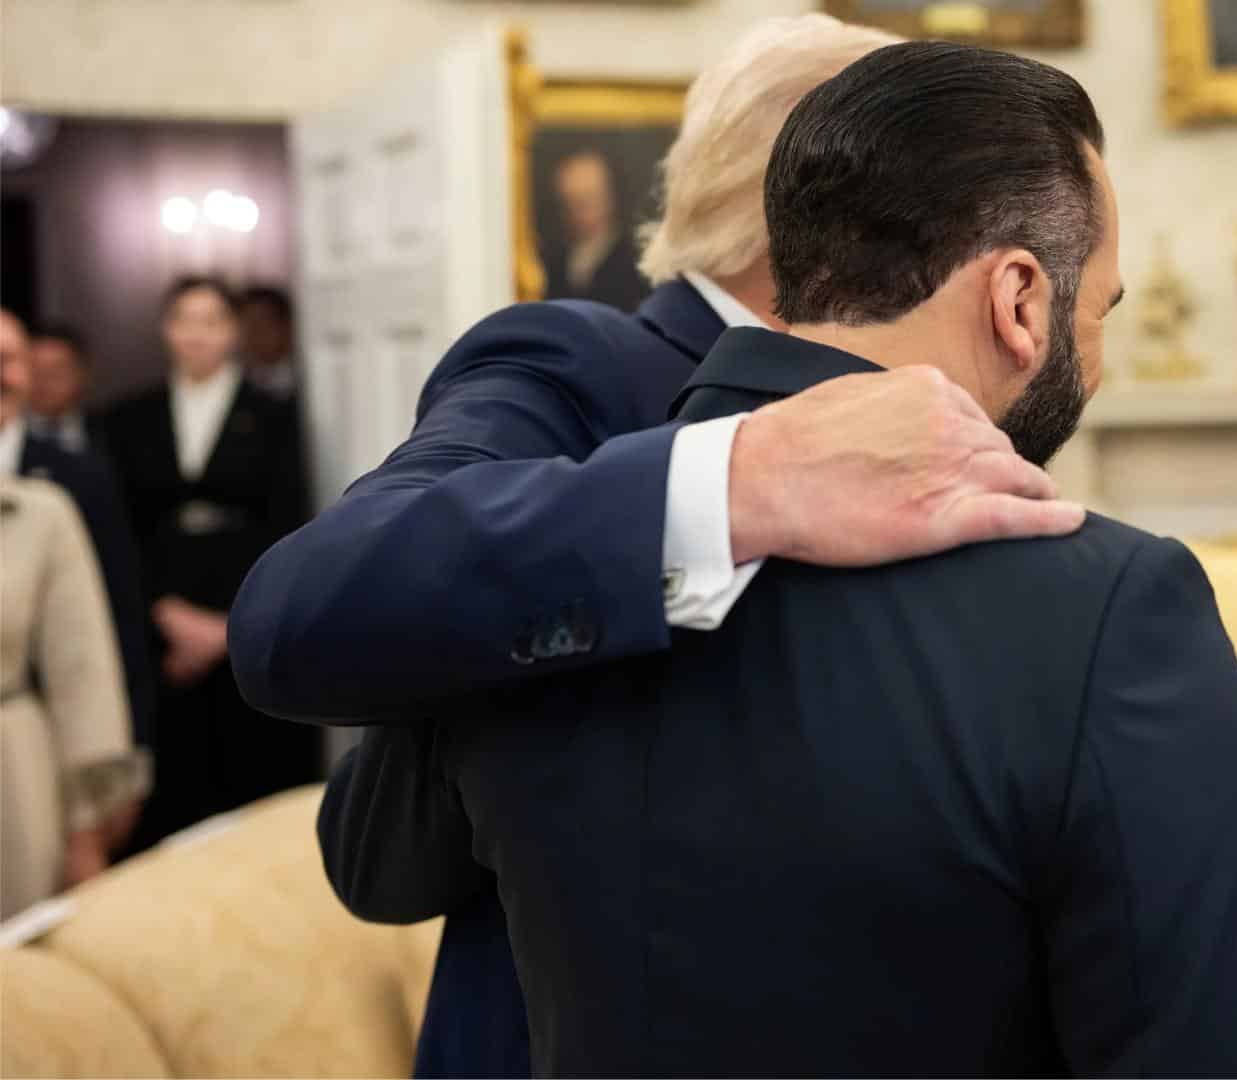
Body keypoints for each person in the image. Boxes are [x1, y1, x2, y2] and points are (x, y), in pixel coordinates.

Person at [315, 42, 1237, 1076]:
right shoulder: (1117, 606)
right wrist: (726, 488)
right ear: (1020, 301)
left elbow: (392, 850)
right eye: (1100, 308)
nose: (1097, 354)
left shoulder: (547, 581)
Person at [229, 15, 1081, 1077]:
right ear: (829, 199)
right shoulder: (578, 364)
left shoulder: (942, 422)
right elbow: (297, 616)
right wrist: (741, 482)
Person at [100, 277, 317, 854]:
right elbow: (117, 532)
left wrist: (225, 628)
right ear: (166, 330)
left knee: (250, 784)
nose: (197, 334)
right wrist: (165, 612)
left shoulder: (273, 415)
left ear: (233, 332)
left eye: (212, 321)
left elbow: (288, 522)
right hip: (160, 622)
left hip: (243, 617)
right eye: (184, 320)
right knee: (172, 789)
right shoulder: (125, 418)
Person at [0, 310, 146, 918]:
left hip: (14, 773)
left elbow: (81, 666)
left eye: (6, 358)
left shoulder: (43, 511)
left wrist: (86, 827)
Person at [541, 148, 649, 311]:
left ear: (610, 197)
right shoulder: (552, 260)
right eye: (570, 201)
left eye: (588, 198)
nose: (578, 211)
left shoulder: (635, 258)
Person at [25, 324, 101, 454]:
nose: (44, 381)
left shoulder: (113, 434)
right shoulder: (7, 434)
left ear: (83, 374)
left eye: (56, 371)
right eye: (34, 370)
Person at [236, 286, 299, 401]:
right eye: (247, 327)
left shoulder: (306, 378)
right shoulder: (238, 380)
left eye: (261, 325)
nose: (253, 336)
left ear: (285, 326)